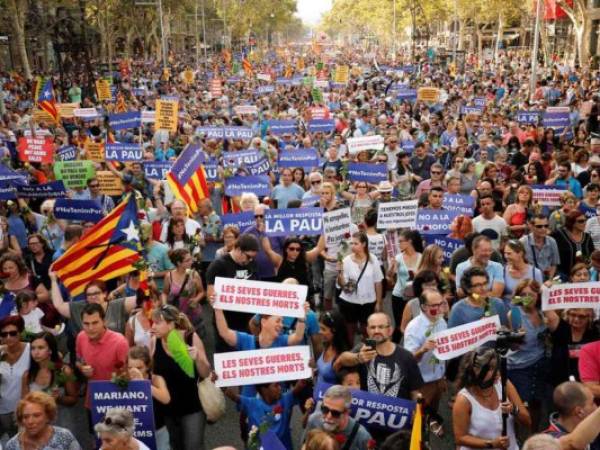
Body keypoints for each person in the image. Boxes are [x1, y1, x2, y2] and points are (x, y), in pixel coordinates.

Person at [151, 305, 211, 450]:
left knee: (193, 446)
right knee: (174, 446)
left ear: (171, 324)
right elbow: (152, 372)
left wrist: (197, 359)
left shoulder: (191, 338)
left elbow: (206, 373)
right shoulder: (154, 341)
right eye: (152, 322)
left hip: (192, 406)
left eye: (158, 323)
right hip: (166, 408)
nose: (153, 326)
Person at [453, 348, 531, 450]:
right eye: (490, 369)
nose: (497, 373)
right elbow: (460, 438)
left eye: (496, 368)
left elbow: (527, 421)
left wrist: (513, 410)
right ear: (475, 371)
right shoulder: (464, 399)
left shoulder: (504, 384)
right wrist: (491, 444)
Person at [337, 312, 424, 402]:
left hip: (396, 414)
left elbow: (414, 392)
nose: (376, 331)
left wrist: (417, 411)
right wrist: (358, 357)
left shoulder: (406, 357)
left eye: (381, 327)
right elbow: (342, 359)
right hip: (365, 411)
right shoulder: (363, 349)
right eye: (372, 327)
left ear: (390, 330)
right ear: (367, 330)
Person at [403, 289, 448, 436]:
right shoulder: (414, 328)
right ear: (423, 307)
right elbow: (408, 361)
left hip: (437, 378)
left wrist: (442, 376)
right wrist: (422, 350)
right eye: (434, 305)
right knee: (418, 416)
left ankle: (431, 422)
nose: (440, 308)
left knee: (433, 408)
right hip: (422, 382)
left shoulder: (441, 321)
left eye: (441, 303)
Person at [507, 279, 549, 431]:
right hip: (520, 367)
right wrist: (515, 338)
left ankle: (534, 434)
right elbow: (514, 347)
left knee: (536, 402)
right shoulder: (516, 314)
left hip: (540, 363)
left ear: (538, 296)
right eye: (523, 294)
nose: (527, 298)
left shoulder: (542, 312)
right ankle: (515, 438)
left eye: (531, 294)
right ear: (518, 297)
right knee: (520, 407)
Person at [75, 303, 129, 415]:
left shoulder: (120, 342)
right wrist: (82, 367)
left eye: (95, 323)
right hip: (92, 400)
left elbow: (129, 374)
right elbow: (79, 359)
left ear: (104, 321)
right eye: (86, 324)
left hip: (117, 403)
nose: (90, 328)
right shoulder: (81, 337)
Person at [21, 332, 78, 430]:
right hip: (36, 427)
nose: (36, 352)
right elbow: (24, 404)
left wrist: (59, 398)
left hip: (61, 424)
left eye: (40, 348)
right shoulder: (27, 375)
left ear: (50, 350)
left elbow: (74, 399)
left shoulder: (65, 371)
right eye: (33, 348)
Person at [51, 275, 138, 335]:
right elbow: (59, 305)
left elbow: (139, 299)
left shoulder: (117, 305)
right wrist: (53, 280)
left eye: (96, 293)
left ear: (105, 293)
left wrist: (141, 270)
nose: (93, 297)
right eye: (89, 295)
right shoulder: (80, 308)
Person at [337, 231, 383, 342]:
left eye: (355, 243)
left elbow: (378, 282)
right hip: (349, 302)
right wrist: (340, 272)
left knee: (366, 331)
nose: (352, 246)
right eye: (351, 243)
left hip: (368, 302)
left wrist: (378, 302)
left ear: (364, 244)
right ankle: (349, 355)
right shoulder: (346, 261)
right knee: (349, 332)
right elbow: (343, 286)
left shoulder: (373, 260)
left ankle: (367, 354)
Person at [127, 346, 171, 450]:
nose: (133, 371)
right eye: (130, 368)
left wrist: (143, 383)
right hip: (135, 432)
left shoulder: (156, 379)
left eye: (139, 368)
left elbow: (166, 399)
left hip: (158, 429)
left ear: (148, 366)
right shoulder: (124, 380)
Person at [303, 385, 372, 450]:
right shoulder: (314, 420)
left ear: (346, 413)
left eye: (335, 413)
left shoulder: (362, 437)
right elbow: (304, 446)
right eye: (325, 409)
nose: (328, 417)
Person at [5, 391, 80, 450]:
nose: (30, 421)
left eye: (36, 415)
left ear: (48, 416)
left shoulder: (64, 437)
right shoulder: (12, 445)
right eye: (26, 417)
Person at [0, 316, 30, 440]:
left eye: (13, 333)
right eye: (4, 334)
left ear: (20, 333)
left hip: (23, 412)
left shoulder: (31, 350)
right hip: (2, 411)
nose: (8, 337)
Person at [161, 248, 205, 329]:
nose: (191, 262)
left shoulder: (194, 274)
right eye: (187, 260)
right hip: (176, 316)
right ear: (179, 263)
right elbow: (164, 293)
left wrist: (196, 300)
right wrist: (164, 306)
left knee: (196, 338)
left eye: (191, 259)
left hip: (193, 315)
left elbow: (202, 292)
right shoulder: (169, 276)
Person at [552, 210, 595, 279]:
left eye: (585, 220)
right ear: (571, 222)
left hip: (583, 277)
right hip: (562, 275)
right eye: (581, 221)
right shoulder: (558, 235)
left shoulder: (587, 237)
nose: (584, 223)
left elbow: (592, 255)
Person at [520, 214, 560, 281]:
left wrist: (549, 280)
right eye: (539, 226)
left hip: (547, 280)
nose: (543, 229)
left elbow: (554, 263)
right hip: (529, 280)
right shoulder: (523, 242)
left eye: (546, 226)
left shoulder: (552, 242)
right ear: (531, 227)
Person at [317, 310, 351, 386]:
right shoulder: (327, 345)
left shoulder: (343, 357)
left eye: (323, 329)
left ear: (334, 330)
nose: (319, 332)